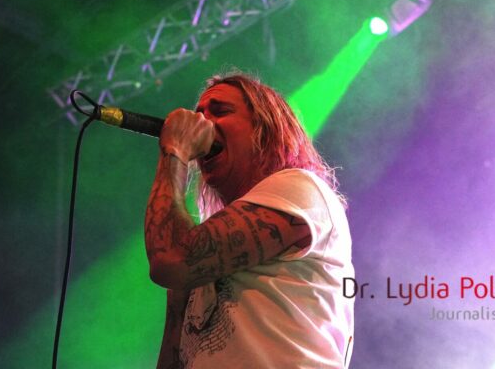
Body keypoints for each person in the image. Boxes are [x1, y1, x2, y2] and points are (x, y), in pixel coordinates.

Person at [144, 72, 354, 369]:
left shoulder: (299, 188)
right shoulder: (205, 243)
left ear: (265, 129)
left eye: (220, 111)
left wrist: (175, 150)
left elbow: (171, 260)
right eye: (199, 114)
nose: (202, 123)